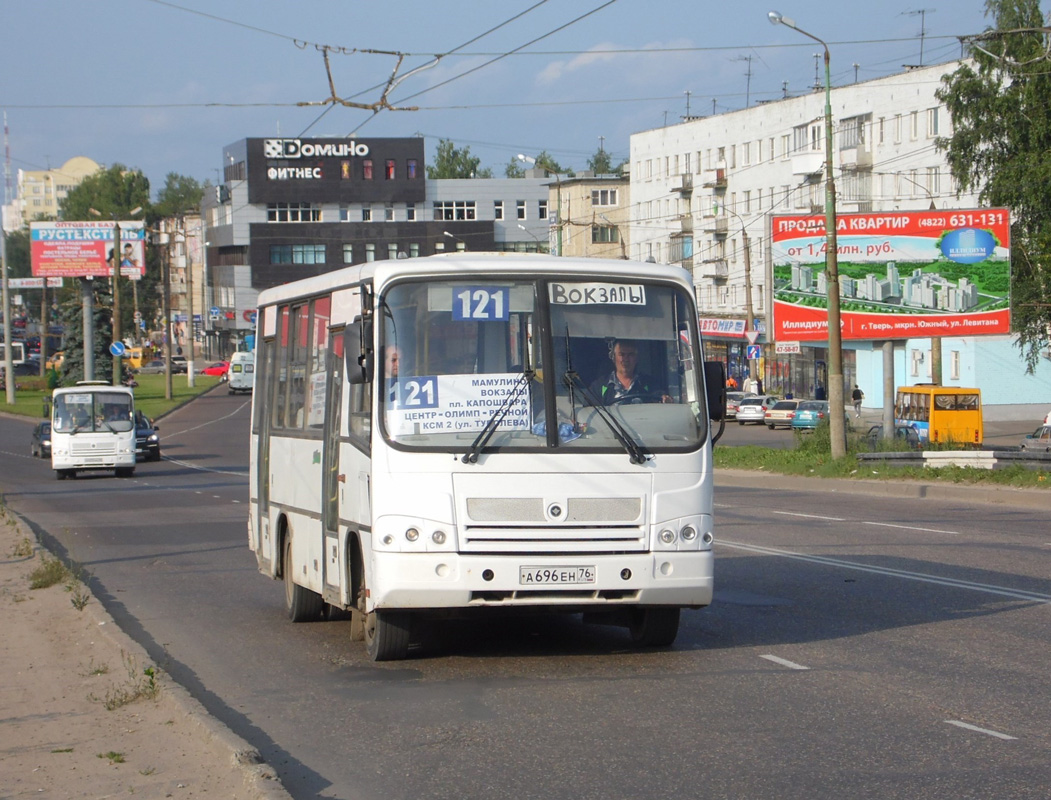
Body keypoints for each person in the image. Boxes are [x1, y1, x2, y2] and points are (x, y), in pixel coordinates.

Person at [589, 339, 671, 405]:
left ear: (636, 358)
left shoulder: (649, 384)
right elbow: (588, 411)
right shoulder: (599, 387)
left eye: (630, 355)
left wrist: (665, 398)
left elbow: (660, 397)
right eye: (621, 354)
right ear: (613, 358)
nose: (626, 359)